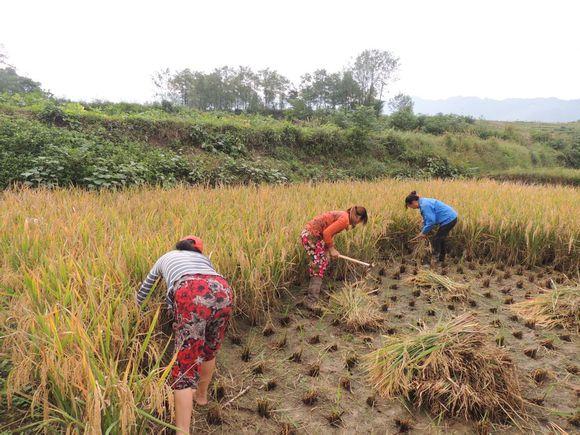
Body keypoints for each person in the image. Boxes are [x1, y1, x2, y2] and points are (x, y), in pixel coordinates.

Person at [136, 236, 233, 435]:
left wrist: (136, 311)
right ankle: (202, 397)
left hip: (191, 292)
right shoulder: (205, 260)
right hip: (224, 290)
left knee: (185, 365)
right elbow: (210, 281)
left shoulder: (167, 256)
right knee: (209, 350)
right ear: (198, 250)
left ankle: (182, 431)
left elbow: (145, 289)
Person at [301, 206, 368, 308]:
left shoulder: (344, 216)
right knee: (318, 266)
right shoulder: (345, 220)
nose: (358, 223)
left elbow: (328, 233)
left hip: (313, 235)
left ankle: (318, 291)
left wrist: (328, 249)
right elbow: (326, 233)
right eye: (360, 221)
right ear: (358, 218)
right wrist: (332, 249)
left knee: (324, 260)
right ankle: (311, 301)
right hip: (311, 235)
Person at [405, 191, 458, 265]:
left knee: (437, 239)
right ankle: (441, 259)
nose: (412, 208)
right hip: (450, 217)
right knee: (441, 239)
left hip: (449, 219)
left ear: (413, 202)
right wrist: (424, 229)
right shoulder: (423, 202)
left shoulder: (425, 205)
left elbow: (431, 222)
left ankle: (435, 260)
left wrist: (423, 233)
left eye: (410, 206)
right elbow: (427, 219)